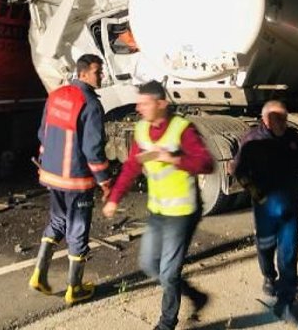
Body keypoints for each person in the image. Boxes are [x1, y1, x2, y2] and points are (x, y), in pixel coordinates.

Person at [103, 80, 214, 330]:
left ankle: (166, 323)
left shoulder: (182, 129)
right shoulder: (142, 130)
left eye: (144, 103)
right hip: (158, 211)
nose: (139, 108)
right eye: (139, 103)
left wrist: (173, 158)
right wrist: (114, 198)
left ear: (161, 104)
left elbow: (207, 164)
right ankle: (196, 296)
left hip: (183, 213)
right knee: (150, 265)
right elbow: (132, 167)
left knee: (168, 272)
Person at [231, 99, 298, 325]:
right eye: (276, 117)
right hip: (265, 208)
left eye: (284, 116)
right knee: (266, 247)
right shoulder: (252, 141)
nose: (282, 121)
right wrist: (257, 194)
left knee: (289, 253)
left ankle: (286, 303)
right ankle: (269, 276)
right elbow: (239, 171)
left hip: (291, 206)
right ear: (265, 119)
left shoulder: (293, 139)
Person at [28, 54, 111, 305]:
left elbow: (44, 133)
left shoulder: (56, 96)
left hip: (52, 175)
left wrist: (44, 163)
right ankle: (74, 289)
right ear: (83, 73)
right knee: (77, 230)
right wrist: (105, 181)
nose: (102, 76)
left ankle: (38, 276)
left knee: (57, 221)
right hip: (76, 180)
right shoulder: (91, 104)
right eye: (98, 71)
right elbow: (93, 150)